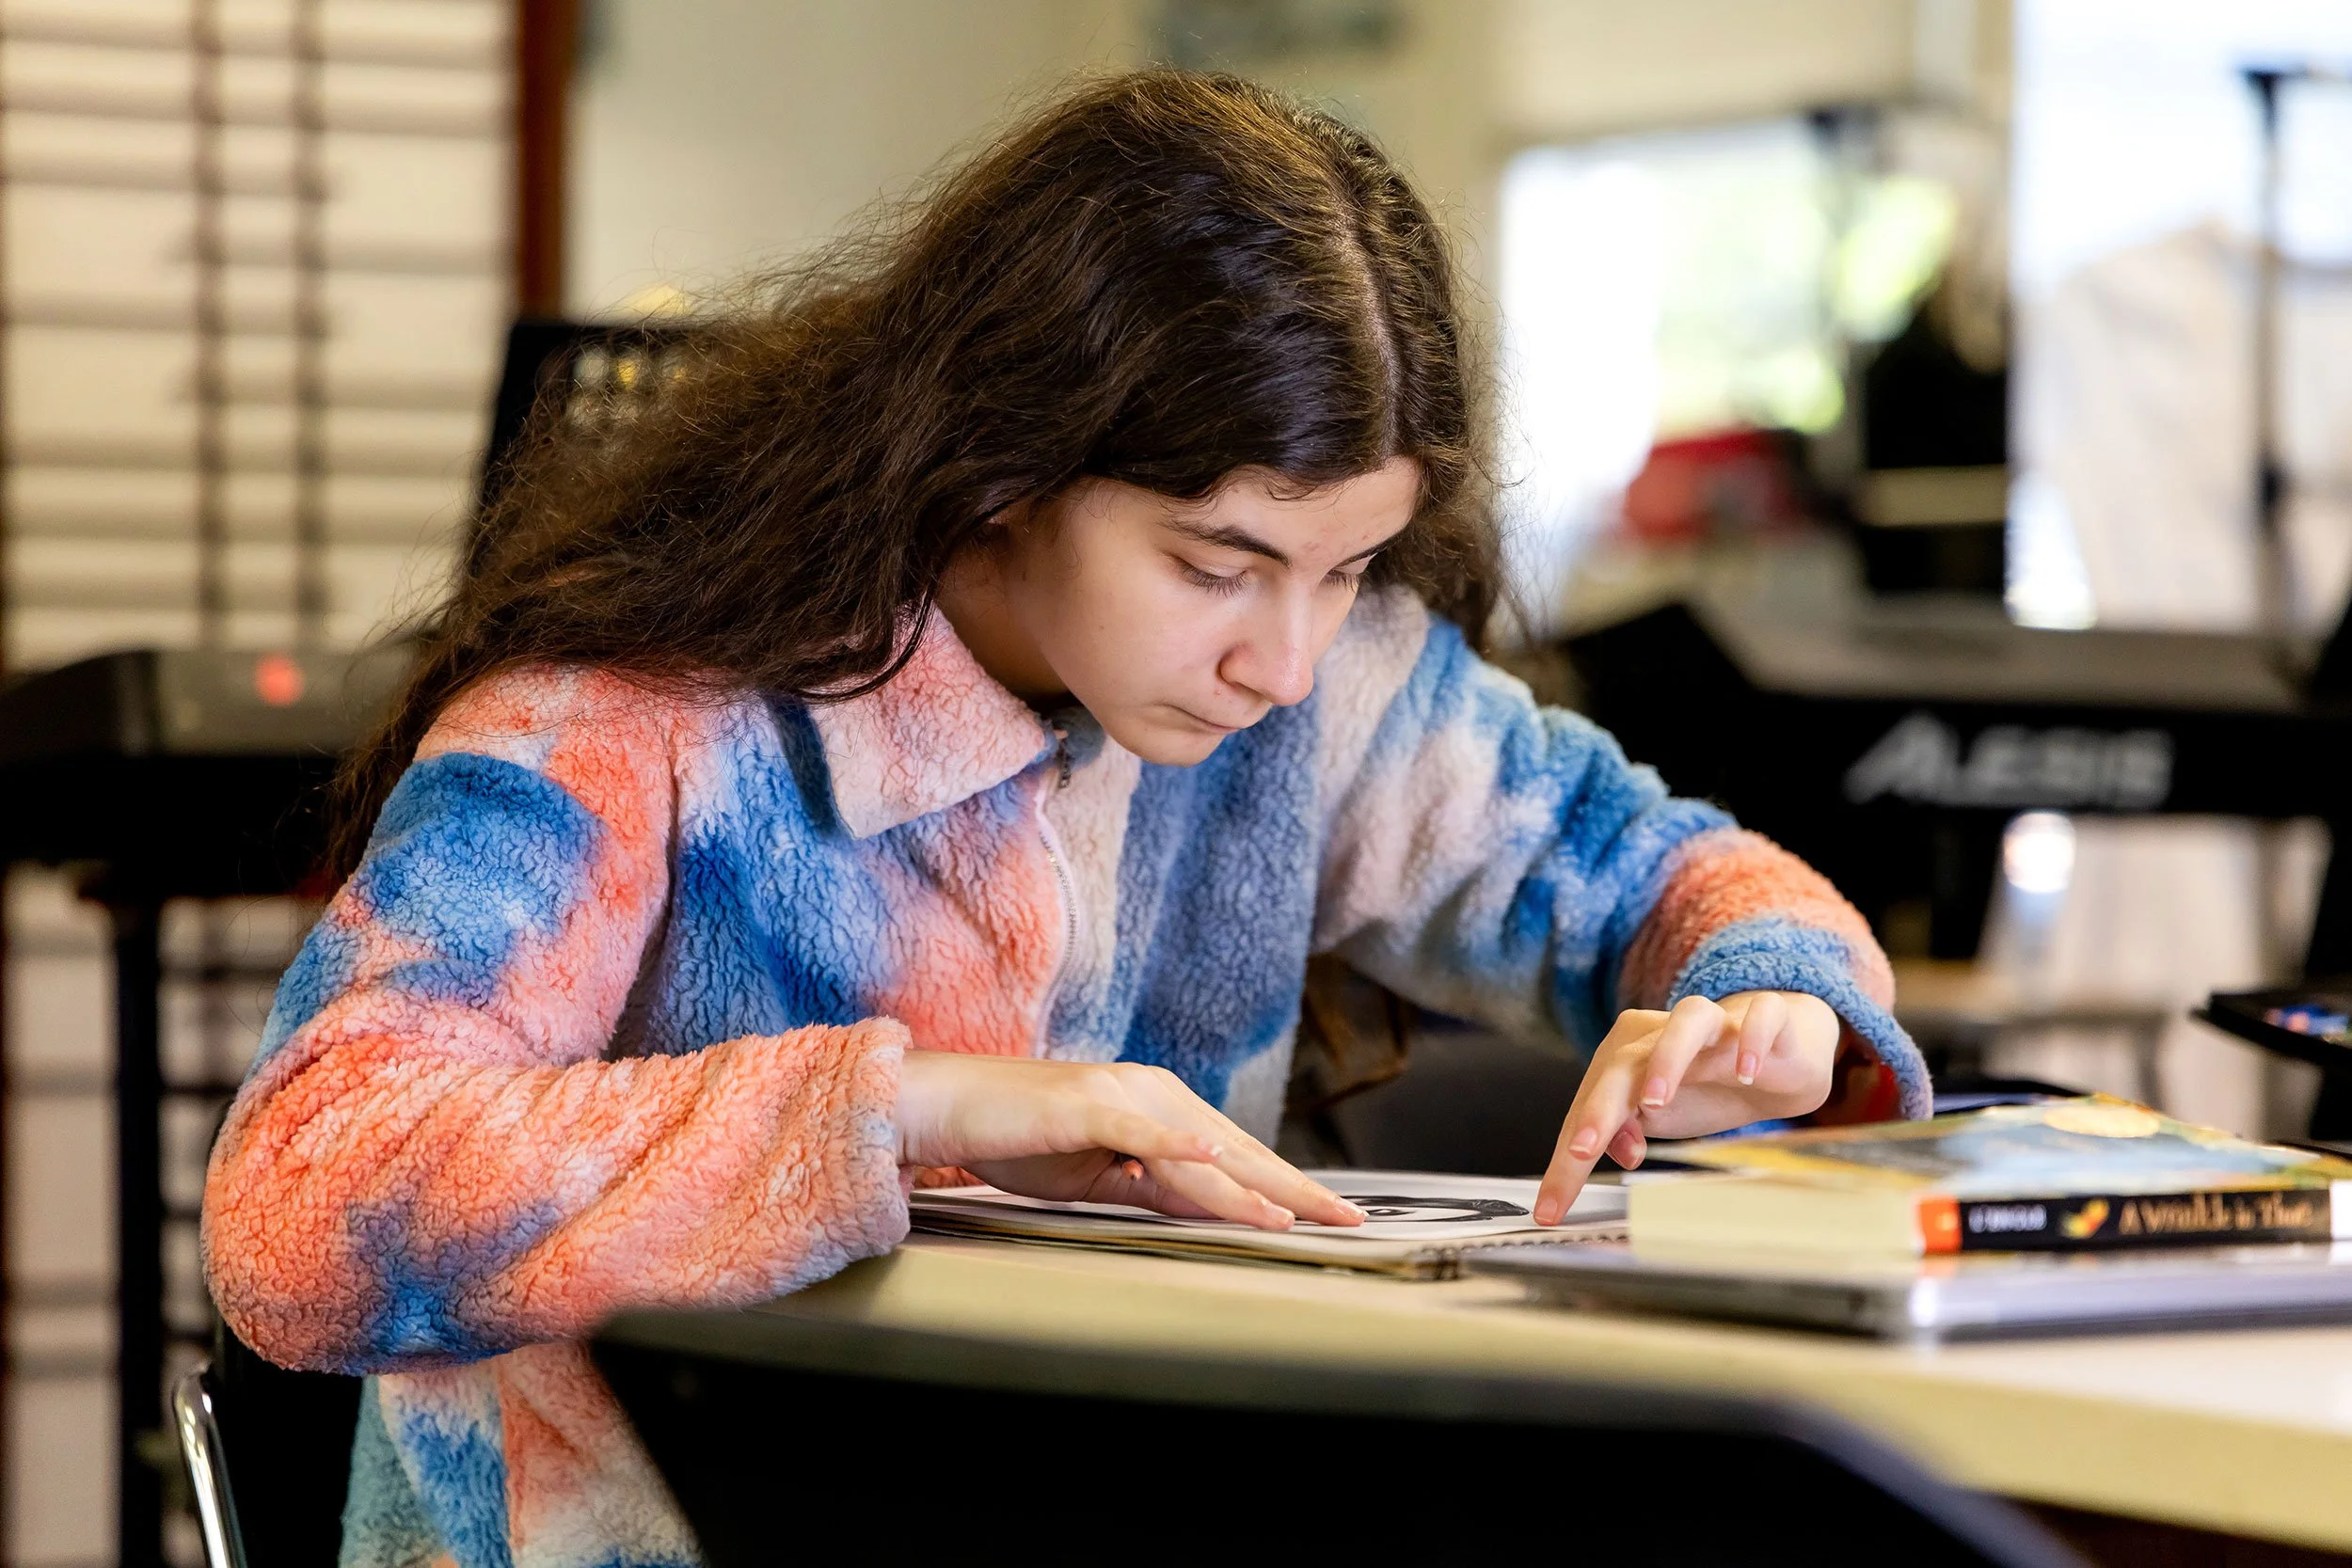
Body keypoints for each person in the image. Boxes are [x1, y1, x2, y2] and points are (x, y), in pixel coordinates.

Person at [202, 71, 1925, 1568]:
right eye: (1214, 564)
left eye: (1347, 572)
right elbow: (301, 1202)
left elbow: (1665, 872)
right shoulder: (631, 718)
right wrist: (906, 1111)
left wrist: (1769, 1000)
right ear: (1005, 455)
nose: (1285, 655)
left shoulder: (1327, 690)